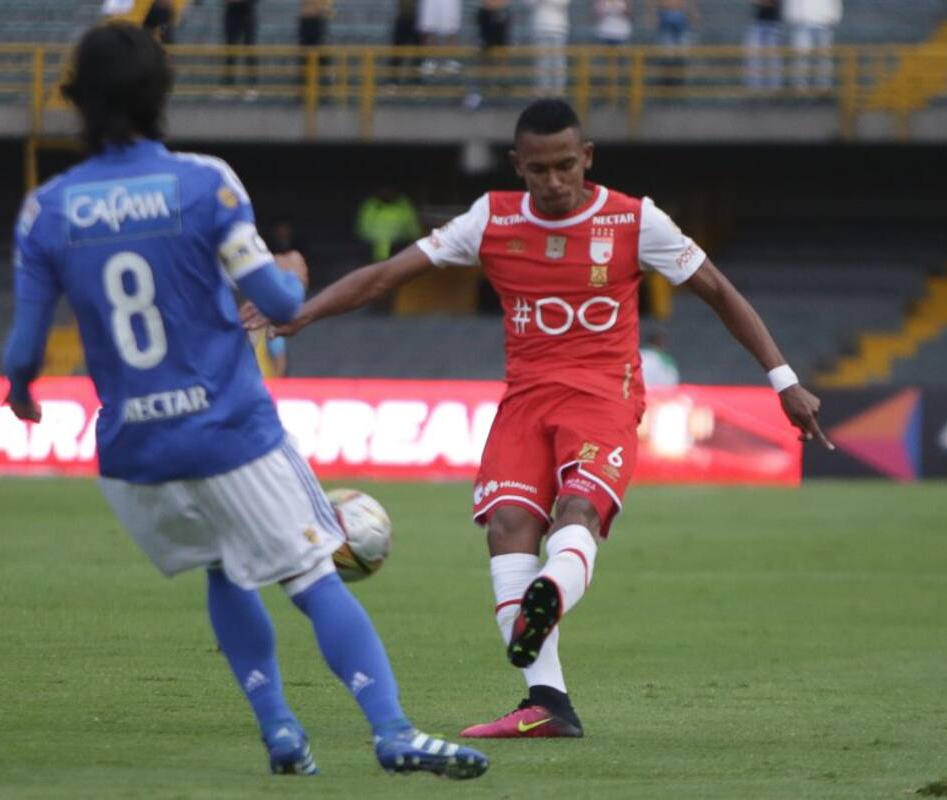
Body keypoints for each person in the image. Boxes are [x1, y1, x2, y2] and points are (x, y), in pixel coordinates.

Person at [244, 98, 832, 739]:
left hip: (604, 397)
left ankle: (543, 598)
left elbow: (718, 290)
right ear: (516, 165)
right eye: (538, 169)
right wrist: (302, 314)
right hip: (525, 400)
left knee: (576, 513)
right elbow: (387, 276)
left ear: (587, 158)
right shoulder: (489, 220)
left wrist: (784, 379)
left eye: (563, 166)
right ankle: (548, 701)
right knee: (507, 525)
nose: (552, 182)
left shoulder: (636, 220)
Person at [2, 23, 488, 779]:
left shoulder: (47, 210)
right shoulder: (206, 183)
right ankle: (393, 730)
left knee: (227, 569)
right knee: (311, 575)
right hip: (227, 429)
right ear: (162, 95)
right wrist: (287, 267)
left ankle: (282, 732)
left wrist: (19, 394)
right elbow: (280, 301)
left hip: (131, 454)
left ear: (76, 100)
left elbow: (23, 351)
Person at [785, 0, 842, 92]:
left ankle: (823, 87)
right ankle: (800, 88)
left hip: (824, 20)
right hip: (801, 21)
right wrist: (792, 16)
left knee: (824, 57)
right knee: (801, 56)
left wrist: (834, 17)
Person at [355, 187, 421, 262]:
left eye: (389, 190)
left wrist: (415, 239)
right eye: (384, 190)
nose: (386, 193)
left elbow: (412, 225)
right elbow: (363, 226)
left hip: (398, 246)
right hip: (372, 247)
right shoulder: (372, 204)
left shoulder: (404, 205)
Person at [526, 0, 570, 96]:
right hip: (539, 27)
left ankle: (559, 89)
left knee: (558, 61)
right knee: (542, 61)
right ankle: (543, 89)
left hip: (558, 28)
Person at [222, 0, 259, 95]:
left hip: (248, 12)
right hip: (231, 13)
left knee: (250, 50)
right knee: (230, 50)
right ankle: (228, 85)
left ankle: (252, 85)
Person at [744, 0, 782, 90]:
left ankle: (774, 88)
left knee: (773, 58)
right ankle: (755, 88)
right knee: (754, 56)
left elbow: (773, 3)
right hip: (757, 23)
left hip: (773, 24)